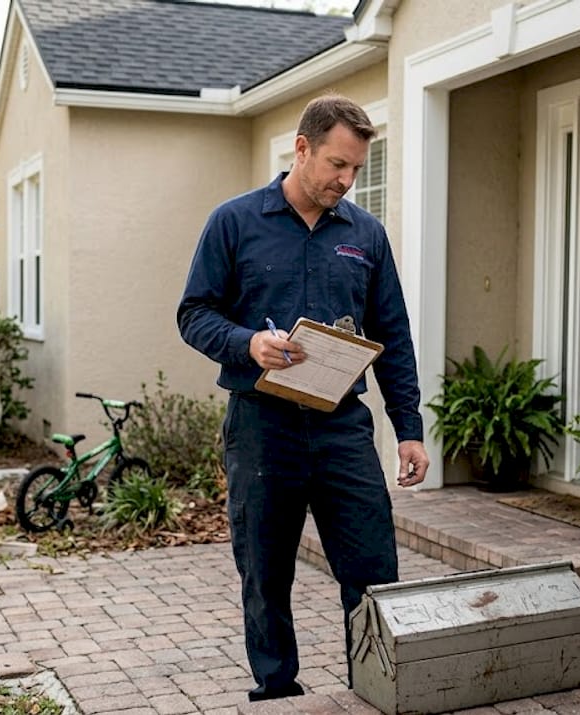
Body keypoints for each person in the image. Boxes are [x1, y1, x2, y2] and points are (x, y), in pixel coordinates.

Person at [176, 94, 429, 702]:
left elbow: (392, 335)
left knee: (373, 570)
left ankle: (373, 687)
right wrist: (247, 344)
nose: (346, 180)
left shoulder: (366, 234)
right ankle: (277, 687)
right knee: (264, 570)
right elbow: (193, 314)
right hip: (262, 426)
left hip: (343, 426)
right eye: (337, 165)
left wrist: (409, 427)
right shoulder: (234, 222)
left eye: (355, 170)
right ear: (302, 148)